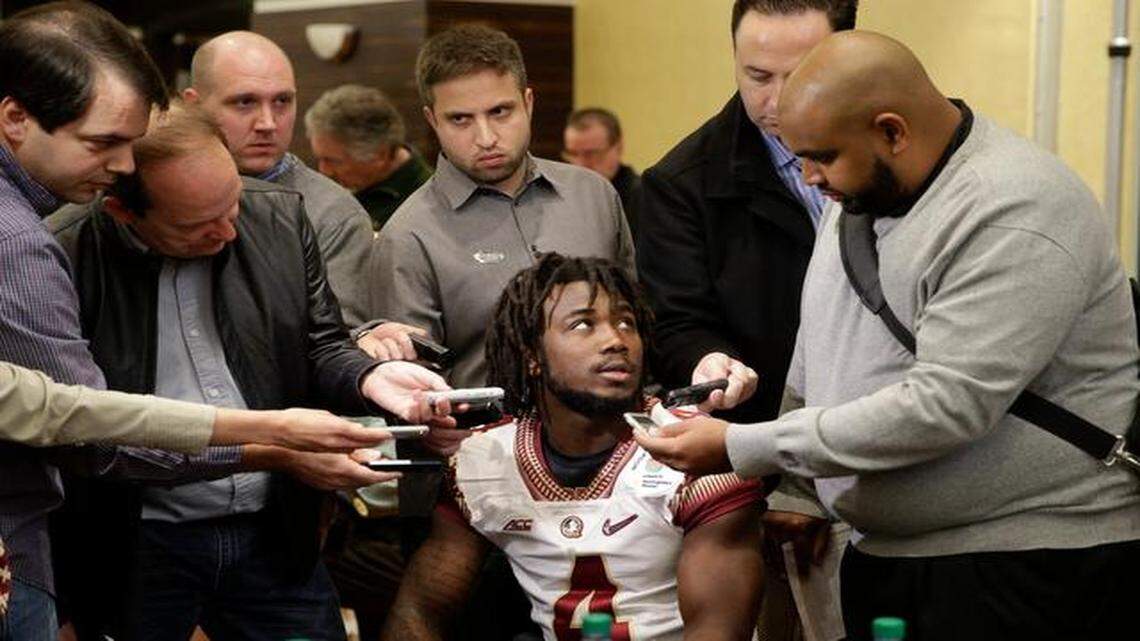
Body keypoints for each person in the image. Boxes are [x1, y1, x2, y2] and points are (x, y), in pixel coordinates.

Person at [636, 31, 1140, 641]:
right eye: (799, 159)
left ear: (892, 131)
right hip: (890, 556)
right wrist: (799, 489)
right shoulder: (860, 191)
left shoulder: (1014, 208)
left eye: (821, 157)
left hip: (1020, 561)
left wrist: (744, 446)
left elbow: (947, 405)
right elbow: (816, 348)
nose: (811, 179)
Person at [47, 103, 456, 641]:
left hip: (272, 530)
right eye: (198, 224)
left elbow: (320, 345)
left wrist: (369, 379)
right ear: (124, 212)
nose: (230, 232)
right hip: (139, 538)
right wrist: (278, 444)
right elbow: (89, 434)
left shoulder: (279, 217)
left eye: (232, 203)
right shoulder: (66, 252)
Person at [383, 253, 765, 641]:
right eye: (584, 324)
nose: (616, 340)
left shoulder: (702, 453)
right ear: (532, 355)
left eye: (626, 323)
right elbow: (421, 610)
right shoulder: (485, 460)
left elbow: (719, 632)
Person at [635, 2, 857, 637]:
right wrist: (709, 361)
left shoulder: (897, 157)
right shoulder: (681, 182)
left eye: (799, 74)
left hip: (899, 456)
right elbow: (674, 322)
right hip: (763, 464)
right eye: (757, 75)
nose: (777, 99)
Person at [0, 3, 170, 635]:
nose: (126, 167)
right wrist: (273, 444)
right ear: (15, 117)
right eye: (103, 143)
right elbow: (90, 431)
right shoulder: (16, 243)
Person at [371, 24, 635, 390]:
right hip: (481, 440)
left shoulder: (593, 195)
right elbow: (416, 389)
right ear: (433, 120)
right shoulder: (408, 237)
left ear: (528, 103)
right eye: (460, 119)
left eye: (500, 112)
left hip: (615, 431)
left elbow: (634, 325)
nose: (486, 138)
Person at [183, 31, 375, 326]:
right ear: (193, 105)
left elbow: (340, 345)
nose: (268, 123)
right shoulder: (162, 192)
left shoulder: (332, 214)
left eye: (282, 101)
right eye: (245, 102)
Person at [305, 84, 434, 232]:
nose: (324, 171)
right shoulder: (349, 185)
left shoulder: (427, 205)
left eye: (333, 161)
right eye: (319, 159)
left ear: (380, 156)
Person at [562, 108, 641, 238]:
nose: (580, 165)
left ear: (618, 148)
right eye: (573, 154)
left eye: (591, 154)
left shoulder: (642, 199)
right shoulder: (561, 197)